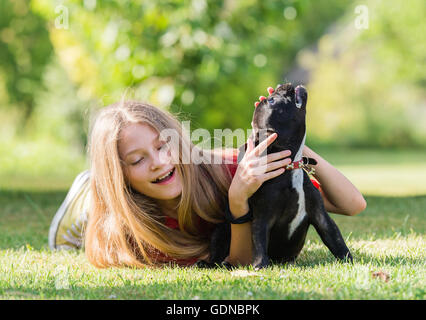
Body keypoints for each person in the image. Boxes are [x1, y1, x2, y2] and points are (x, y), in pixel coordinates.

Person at [48, 86, 366, 268]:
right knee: (90, 222)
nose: (159, 162)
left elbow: (352, 203)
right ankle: (90, 190)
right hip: (112, 205)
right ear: (121, 175)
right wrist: (237, 201)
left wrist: (288, 140)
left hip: (216, 167)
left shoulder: (230, 169)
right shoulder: (139, 235)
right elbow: (239, 263)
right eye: (137, 160)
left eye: (164, 146)